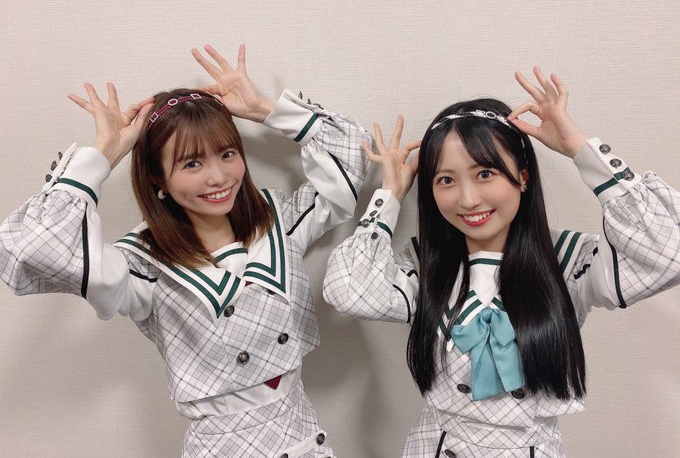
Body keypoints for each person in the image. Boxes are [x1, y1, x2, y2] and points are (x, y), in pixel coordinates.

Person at [0, 45, 370, 458]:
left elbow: (354, 156)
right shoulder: (142, 264)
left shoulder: (277, 219)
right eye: (192, 164)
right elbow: (26, 250)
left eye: (227, 153)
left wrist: (264, 110)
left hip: (304, 437)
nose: (219, 177)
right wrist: (104, 154)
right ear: (158, 178)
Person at [323, 67, 680, 457]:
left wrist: (580, 148)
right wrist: (389, 195)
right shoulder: (427, 267)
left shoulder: (567, 260)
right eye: (446, 180)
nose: (468, 199)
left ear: (523, 177)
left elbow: (668, 254)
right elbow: (348, 290)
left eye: (485, 173)